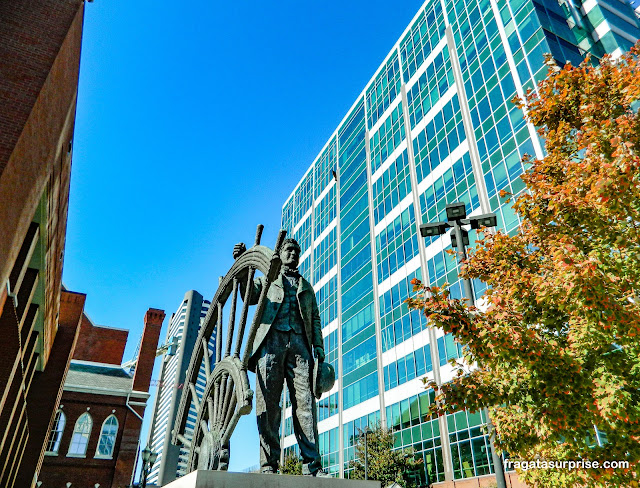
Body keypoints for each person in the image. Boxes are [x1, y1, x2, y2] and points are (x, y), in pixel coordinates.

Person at [233, 237, 328, 477]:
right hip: (271, 341)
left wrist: (318, 346)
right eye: (289, 249)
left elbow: (314, 318)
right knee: (269, 405)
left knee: (306, 405)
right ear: (280, 252)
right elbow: (248, 296)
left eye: (297, 251)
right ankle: (268, 464)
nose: (294, 254)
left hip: (300, 345)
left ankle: (312, 466)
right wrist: (244, 266)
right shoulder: (268, 278)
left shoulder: (306, 286)